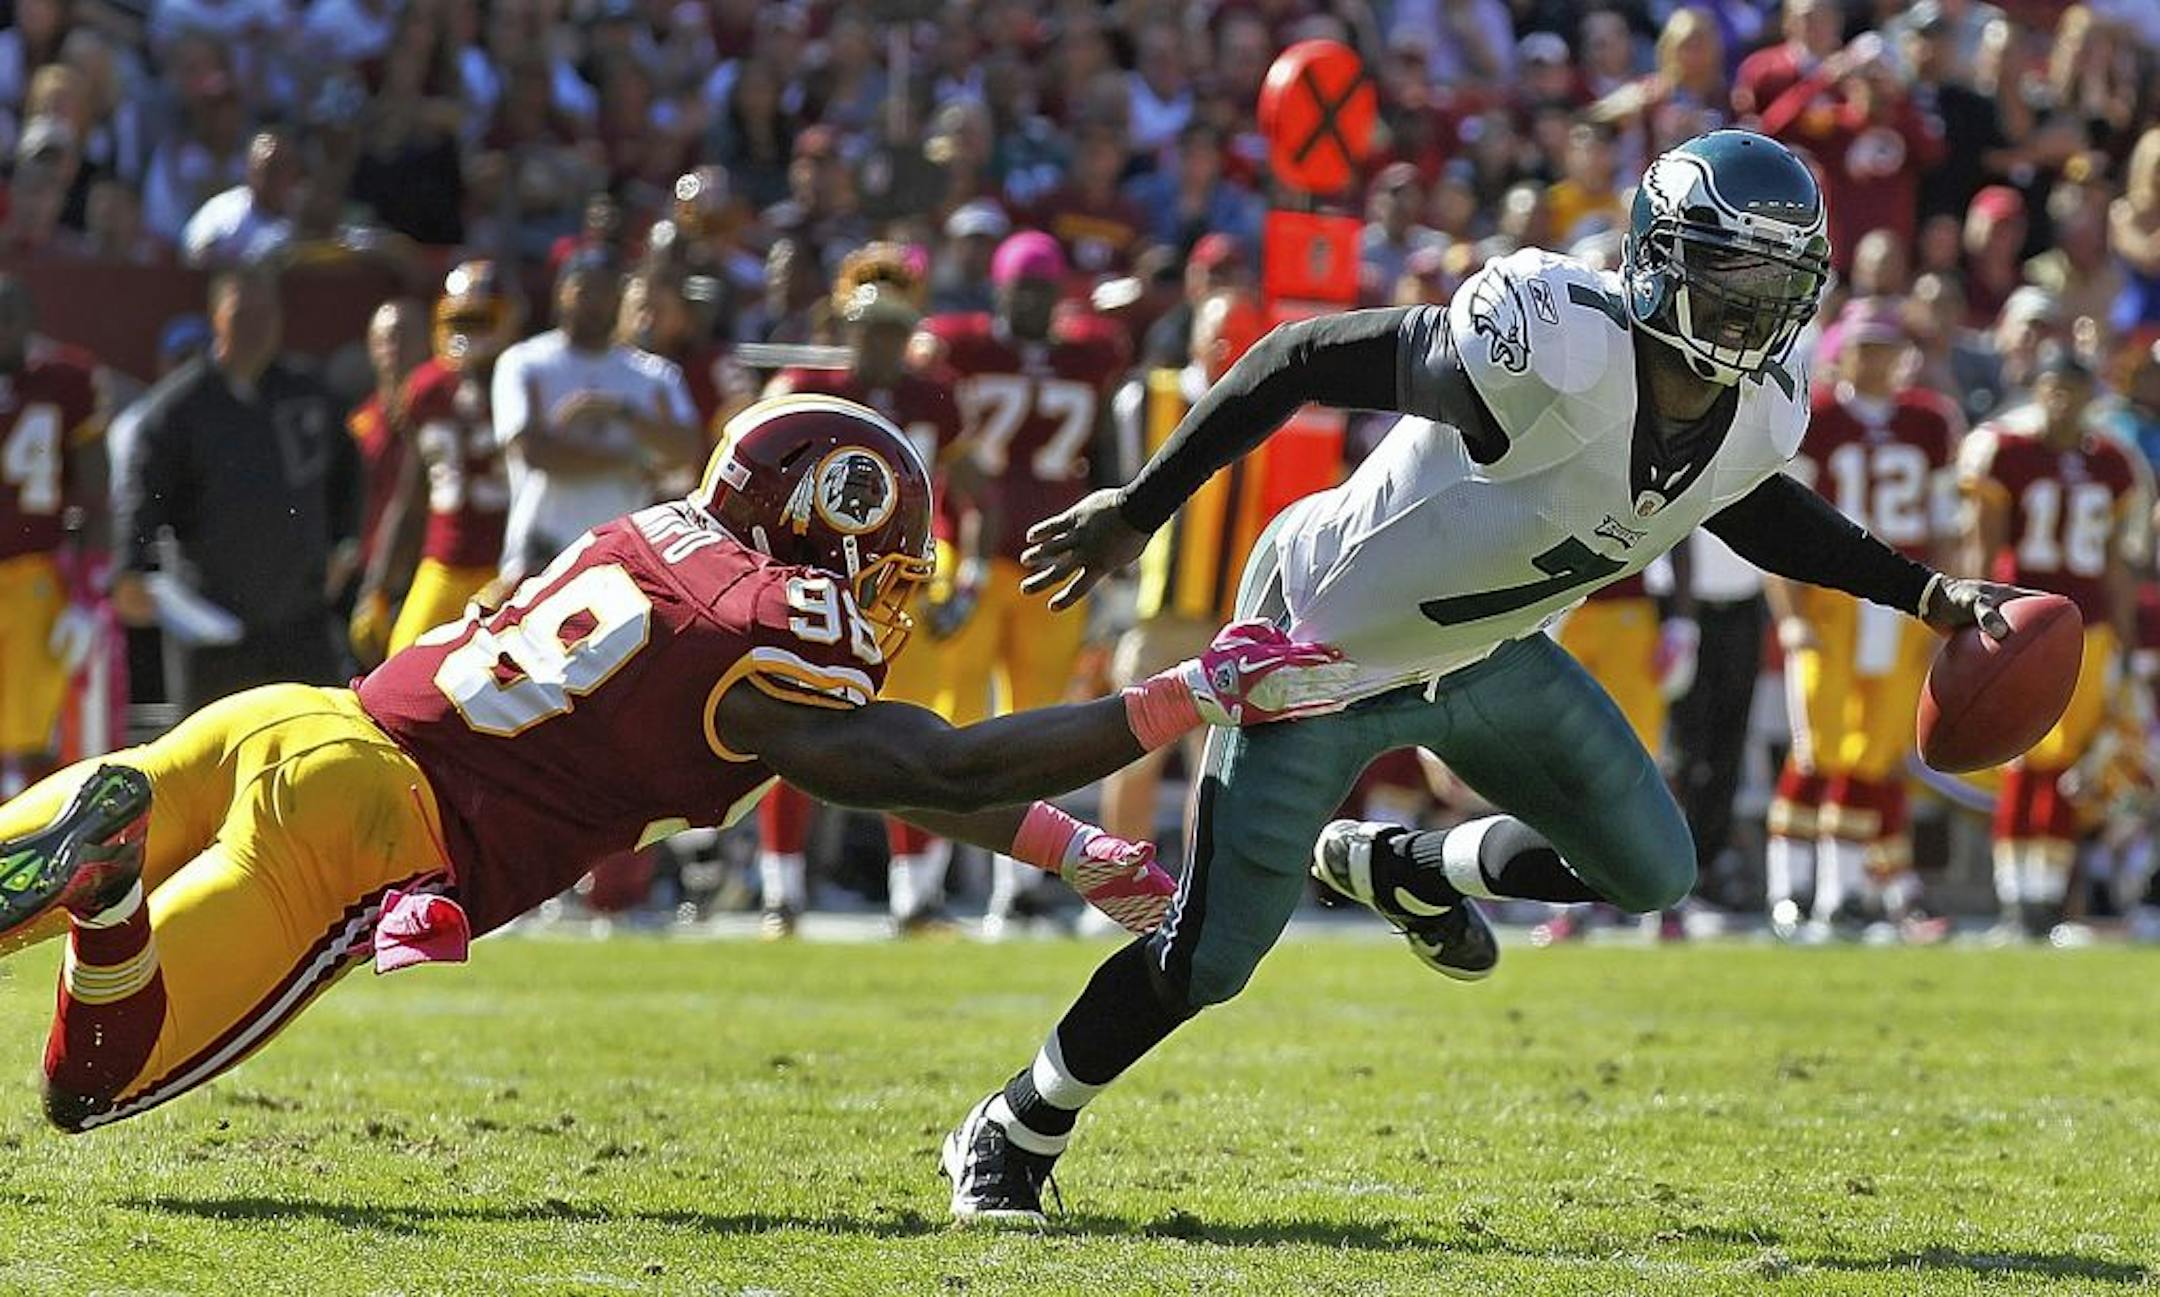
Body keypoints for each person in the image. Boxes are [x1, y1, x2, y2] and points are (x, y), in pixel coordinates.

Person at [938, 130, 2016, 1224]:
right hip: (1323, 653)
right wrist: (1136, 510)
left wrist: (1926, 595)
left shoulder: (1766, 405)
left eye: (1779, 280)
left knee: (1652, 868)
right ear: (1656, 255)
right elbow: (1305, 355)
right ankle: (1016, 1123)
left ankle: (1407, 865)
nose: (1752, 304)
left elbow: (1744, 499)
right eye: (1729, 268)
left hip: (1486, 655)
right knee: (1207, 958)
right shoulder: (1553, 343)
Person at [0, 395, 1350, 1133]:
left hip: (289, 719)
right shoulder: (767, 644)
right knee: (93, 1083)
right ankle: (109, 901)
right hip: (362, 826)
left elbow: (866, 766)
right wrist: (1184, 693)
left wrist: (1068, 847)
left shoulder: (646, 535)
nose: (881, 589)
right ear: (832, 512)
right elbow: (925, 767)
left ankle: (99, 852)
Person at [758, 260, 985, 936]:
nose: (880, 344)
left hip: (898, 592)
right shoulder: (803, 389)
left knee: (914, 741)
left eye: (893, 330)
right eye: (869, 328)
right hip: (810, 590)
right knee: (788, 736)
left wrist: (967, 581)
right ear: (844, 326)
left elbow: (978, 492)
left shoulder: (931, 397)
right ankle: (780, 893)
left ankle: (914, 897)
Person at [917, 231, 1130, 937]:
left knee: (1036, 730)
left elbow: (1100, 447)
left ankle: (1015, 889)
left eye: (1046, 288)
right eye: (1024, 288)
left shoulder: (1090, 353)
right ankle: (923, 885)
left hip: (1053, 559)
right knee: (948, 719)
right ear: (1000, 289)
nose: (1035, 302)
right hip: (970, 553)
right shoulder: (960, 343)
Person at [1763, 300, 1961, 942]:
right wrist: (1790, 613)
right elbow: (1777, 525)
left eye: (1887, 347)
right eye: (1865, 347)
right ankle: (1791, 891)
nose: (1877, 360)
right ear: (1839, 352)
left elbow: (1945, 529)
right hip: (1831, 598)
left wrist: (1946, 599)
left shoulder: (1930, 422)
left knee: (1875, 755)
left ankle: (1842, 896)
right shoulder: (1815, 416)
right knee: (1816, 748)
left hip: (1901, 600)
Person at [1960, 345, 2145, 941]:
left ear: (2092, 396)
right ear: (2036, 391)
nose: (2062, 399)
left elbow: (2117, 563)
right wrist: (1973, 615)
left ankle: (2045, 898)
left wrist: (2125, 638)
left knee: (2068, 767)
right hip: (2023, 625)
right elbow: (1983, 548)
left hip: (2088, 627)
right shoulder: (2006, 452)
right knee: (2024, 758)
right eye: (2052, 387)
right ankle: (2018, 896)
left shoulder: (2115, 463)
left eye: (2073, 388)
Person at [111, 268, 358, 710]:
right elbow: (142, 498)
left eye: (267, 312)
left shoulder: (308, 394)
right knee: (212, 757)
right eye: (243, 313)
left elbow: (348, 473)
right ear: (215, 318)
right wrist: (130, 571)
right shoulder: (177, 410)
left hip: (300, 614)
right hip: (211, 618)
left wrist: (346, 542)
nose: (257, 326)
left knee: (314, 736)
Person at [490, 250, 701, 585]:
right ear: (562, 291)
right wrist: (631, 461)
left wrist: (618, 410)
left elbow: (686, 450)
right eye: (584, 289)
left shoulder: (653, 374)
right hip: (541, 552)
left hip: (621, 561)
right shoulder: (525, 363)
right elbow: (535, 451)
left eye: (605, 291)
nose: (595, 302)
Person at [356, 262, 522, 658]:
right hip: (443, 561)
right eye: (459, 319)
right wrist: (375, 588)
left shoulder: (522, 378)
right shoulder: (427, 389)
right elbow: (410, 495)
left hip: (508, 564)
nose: (467, 333)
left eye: (480, 320)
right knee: (398, 668)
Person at [0, 277, 107, 794]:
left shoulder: (65, 380)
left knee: (32, 739)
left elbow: (97, 492)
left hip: (34, 576)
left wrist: (87, 596)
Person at [344, 298, 431, 667]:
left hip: (429, 570)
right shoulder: (359, 424)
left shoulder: (446, 416)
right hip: (370, 576)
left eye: (406, 337)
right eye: (386, 339)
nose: (395, 349)